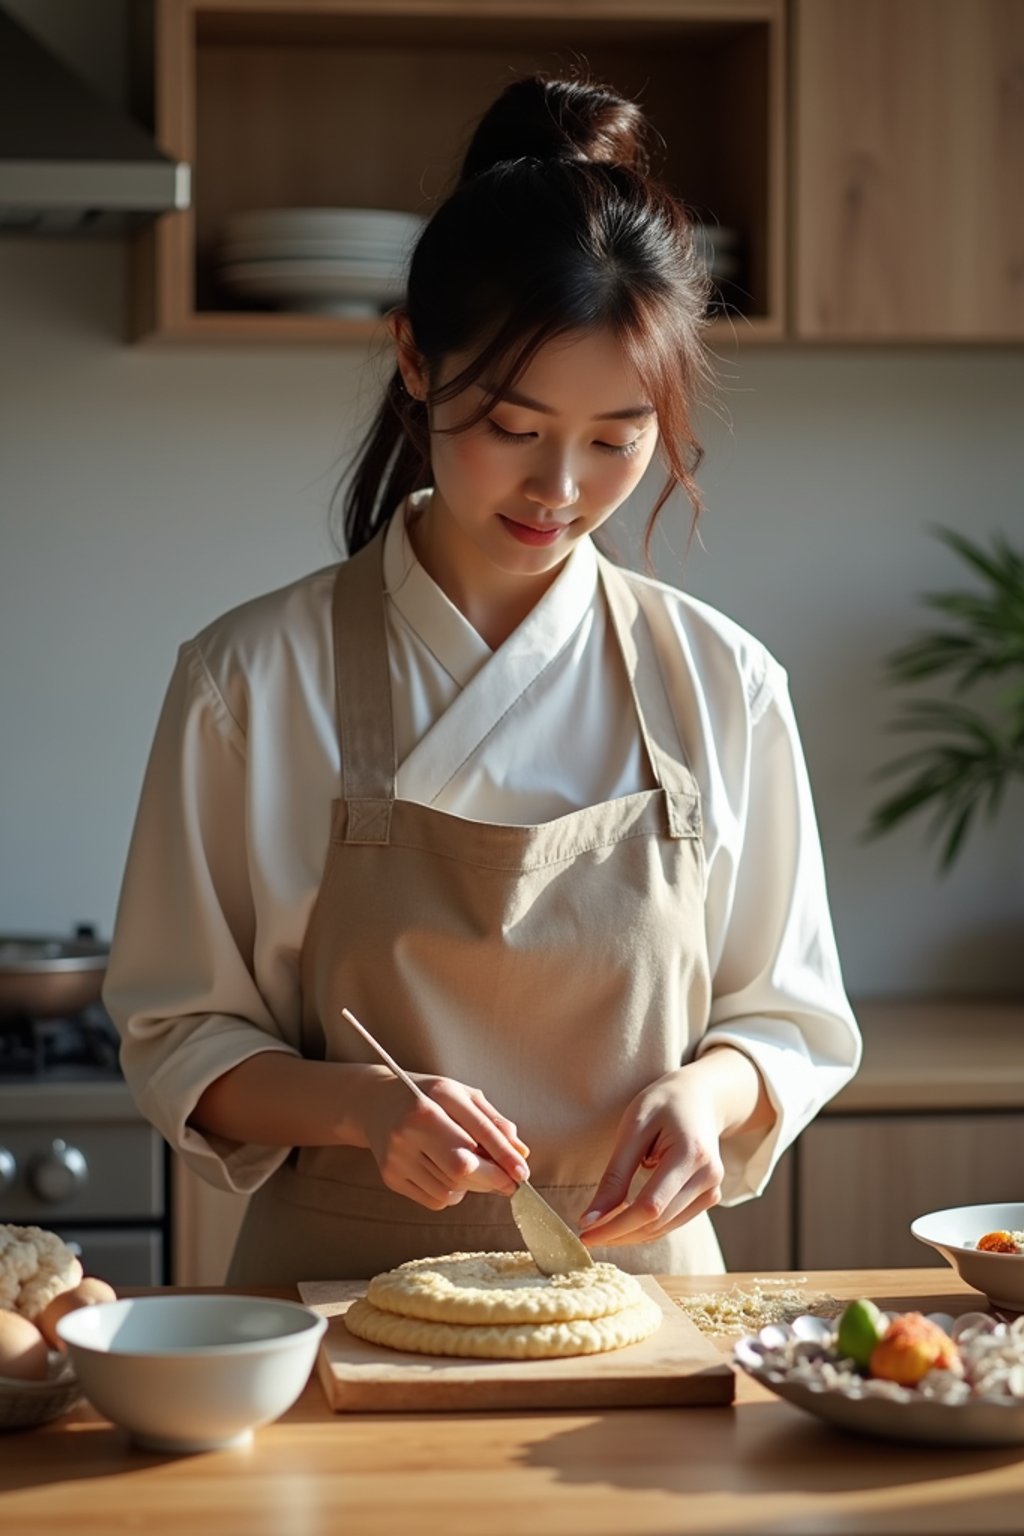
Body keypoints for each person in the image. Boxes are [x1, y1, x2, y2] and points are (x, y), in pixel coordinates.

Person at [103, 73, 860, 1285]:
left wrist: (708, 1098)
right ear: (414, 359)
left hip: (642, 1307)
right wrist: (361, 1112)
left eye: (617, 440)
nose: (558, 489)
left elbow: (787, 1016)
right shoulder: (248, 680)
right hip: (331, 1306)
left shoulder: (724, 682)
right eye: (513, 427)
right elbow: (179, 1037)